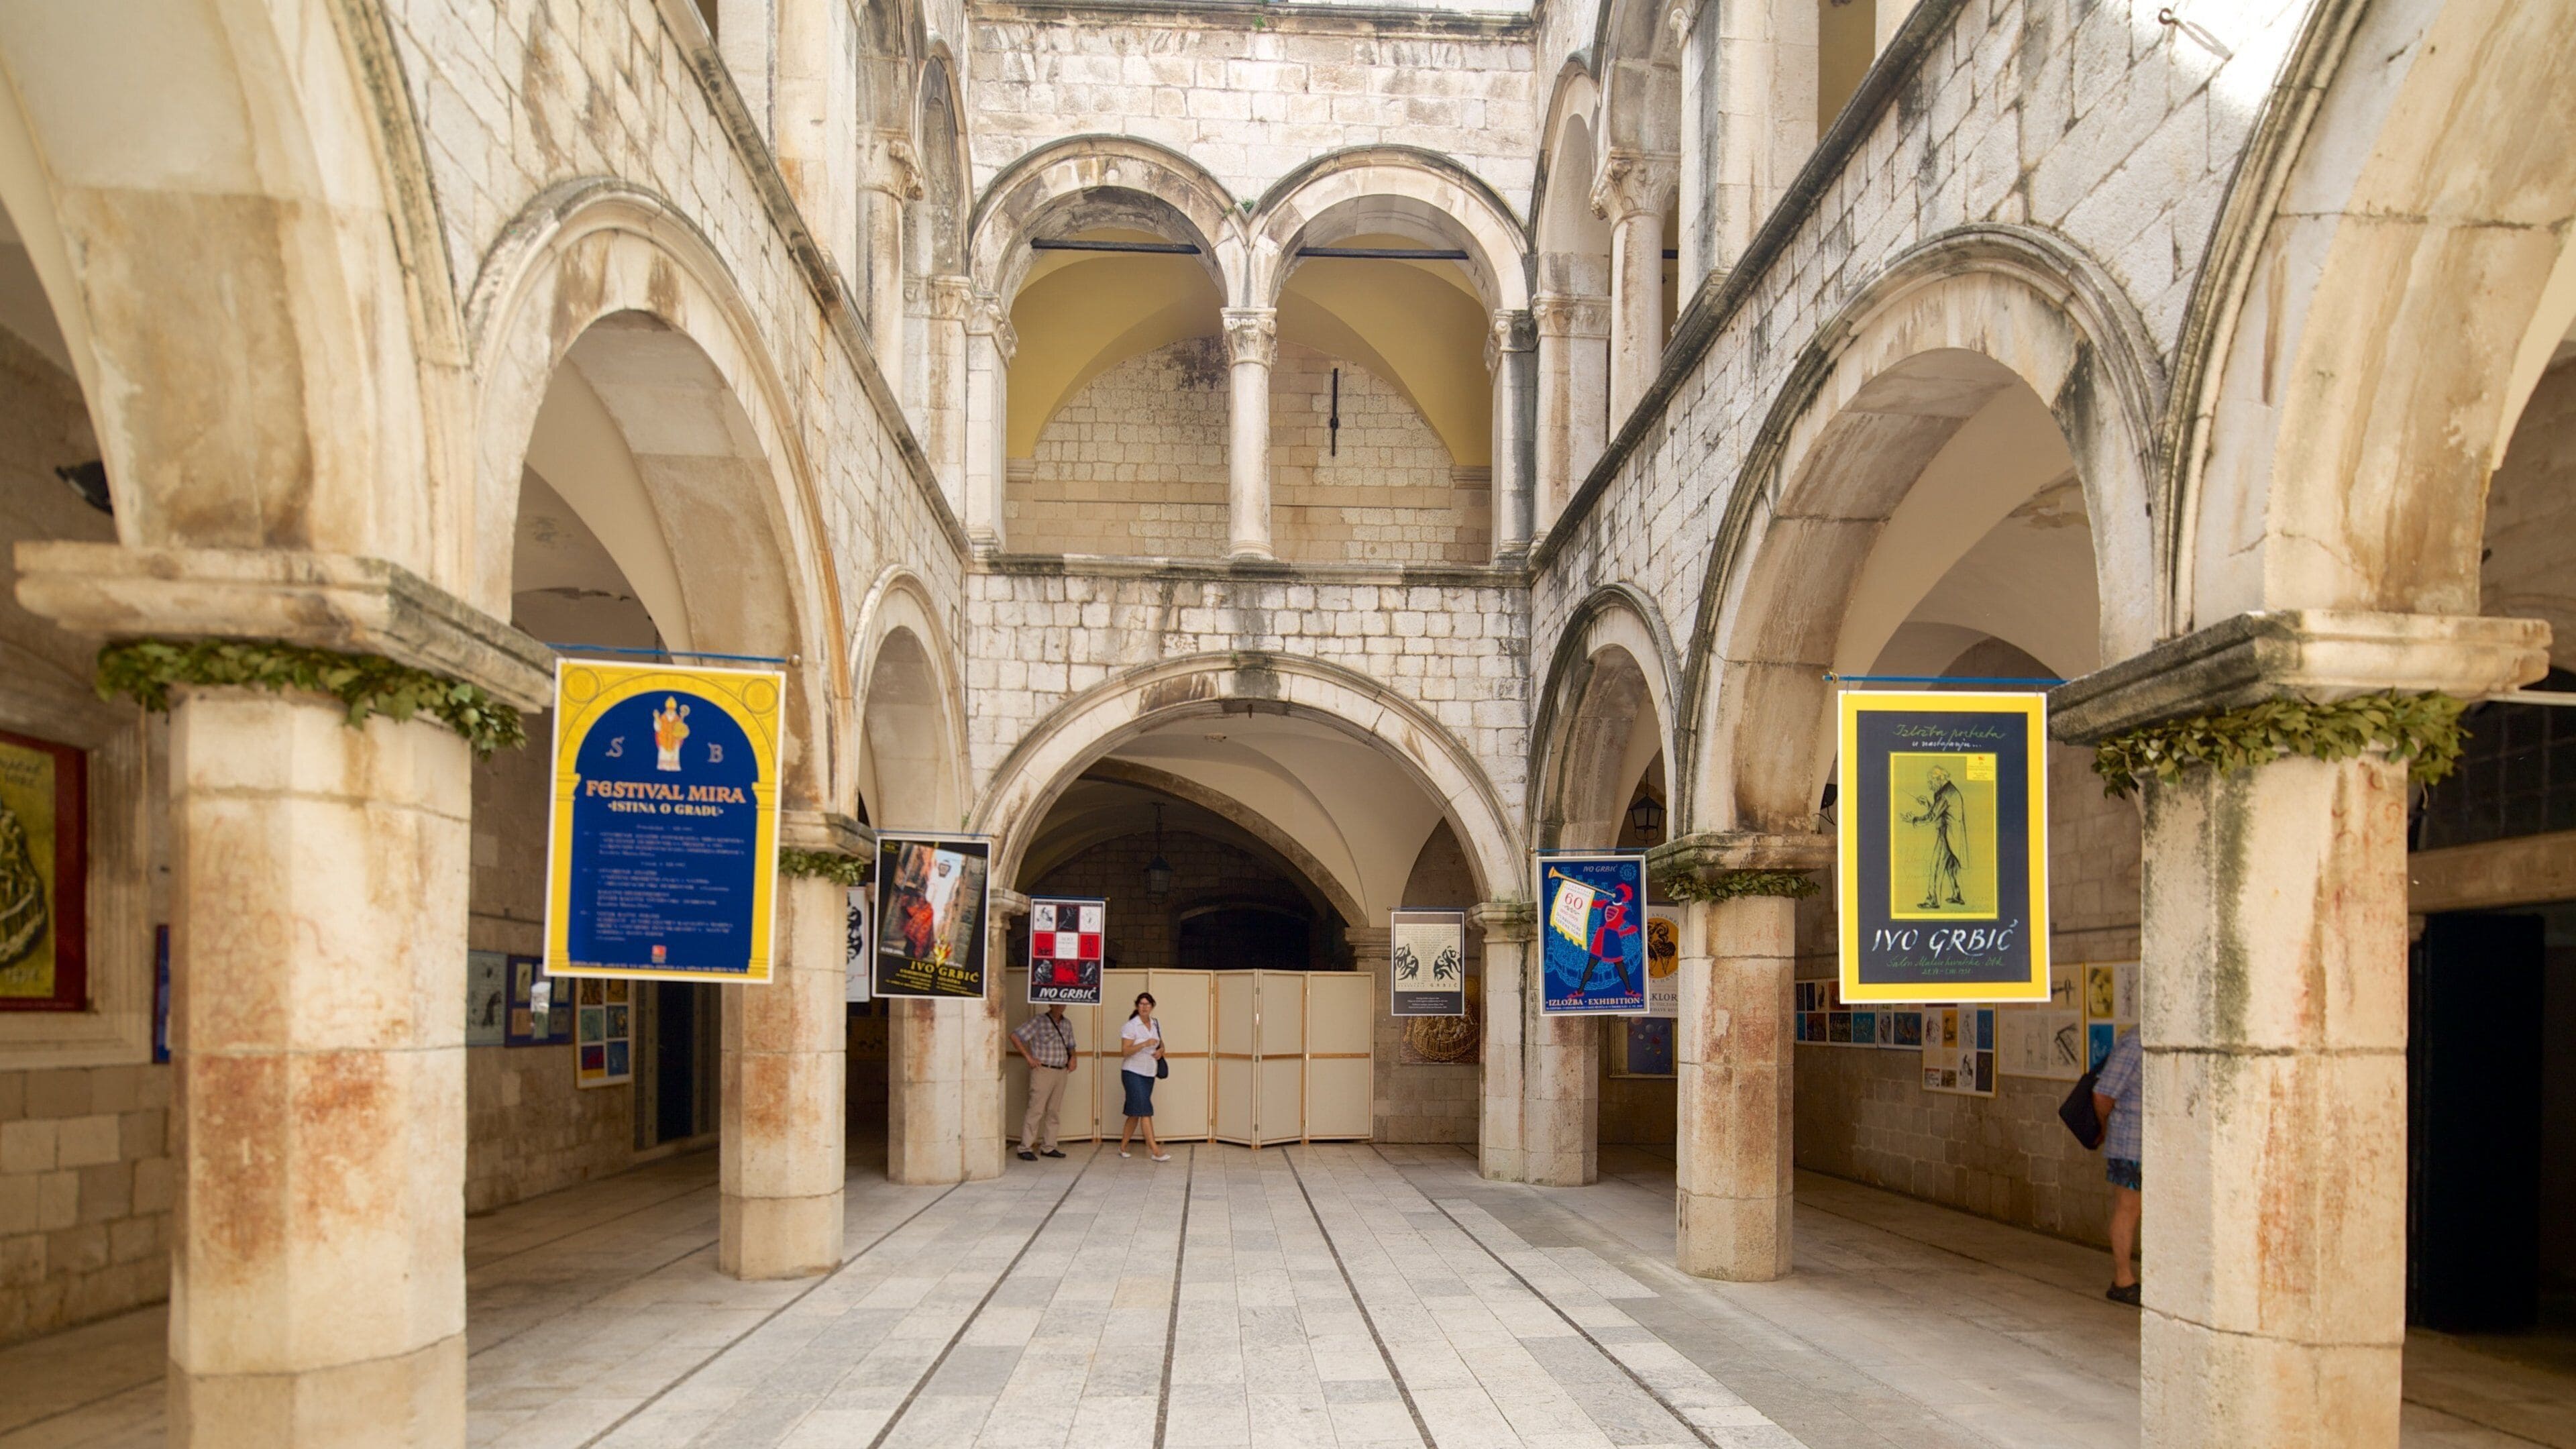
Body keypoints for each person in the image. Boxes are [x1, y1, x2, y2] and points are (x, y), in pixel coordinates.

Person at [2092, 1027, 2143, 1305]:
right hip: (2131, 1143)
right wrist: (2103, 1128)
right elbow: (2103, 1095)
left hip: (2151, 1142)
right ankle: (2123, 1280)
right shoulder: (2136, 1042)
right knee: (2129, 1208)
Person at [1013, 1003, 1077, 1162]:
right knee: (1036, 1109)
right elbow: (1015, 1036)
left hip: (1061, 1071)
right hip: (1044, 1070)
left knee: (1054, 1110)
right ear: (1050, 1003)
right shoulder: (1039, 1021)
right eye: (1056, 1002)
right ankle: (1025, 1147)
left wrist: (1073, 1057)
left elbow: (1071, 1045)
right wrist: (1029, 1057)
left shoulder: (1067, 1023)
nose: (1060, 1005)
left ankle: (1049, 1146)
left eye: (1063, 1002)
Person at [1117, 991, 1170, 1162]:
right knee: (1145, 1110)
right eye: (1141, 1004)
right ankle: (1155, 1150)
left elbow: (1161, 1044)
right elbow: (1125, 1051)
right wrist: (1143, 1044)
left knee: (1135, 1112)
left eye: (1147, 1004)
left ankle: (1123, 1146)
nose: (1144, 1007)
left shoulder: (1155, 1024)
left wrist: (1161, 1051)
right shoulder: (1131, 1026)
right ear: (1137, 1006)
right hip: (1133, 1072)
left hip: (1149, 1073)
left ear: (1152, 1006)